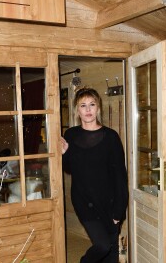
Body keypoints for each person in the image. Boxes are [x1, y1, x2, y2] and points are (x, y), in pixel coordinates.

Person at [61, 87, 128, 263]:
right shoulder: (71, 134)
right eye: (83, 105)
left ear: (98, 108)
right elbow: (68, 168)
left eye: (92, 104)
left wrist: (118, 211)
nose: (88, 109)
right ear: (77, 110)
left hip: (110, 201)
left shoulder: (111, 137)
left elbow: (120, 176)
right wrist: (64, 153)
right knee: (102, 245)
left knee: (111, 251)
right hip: (83, 200)